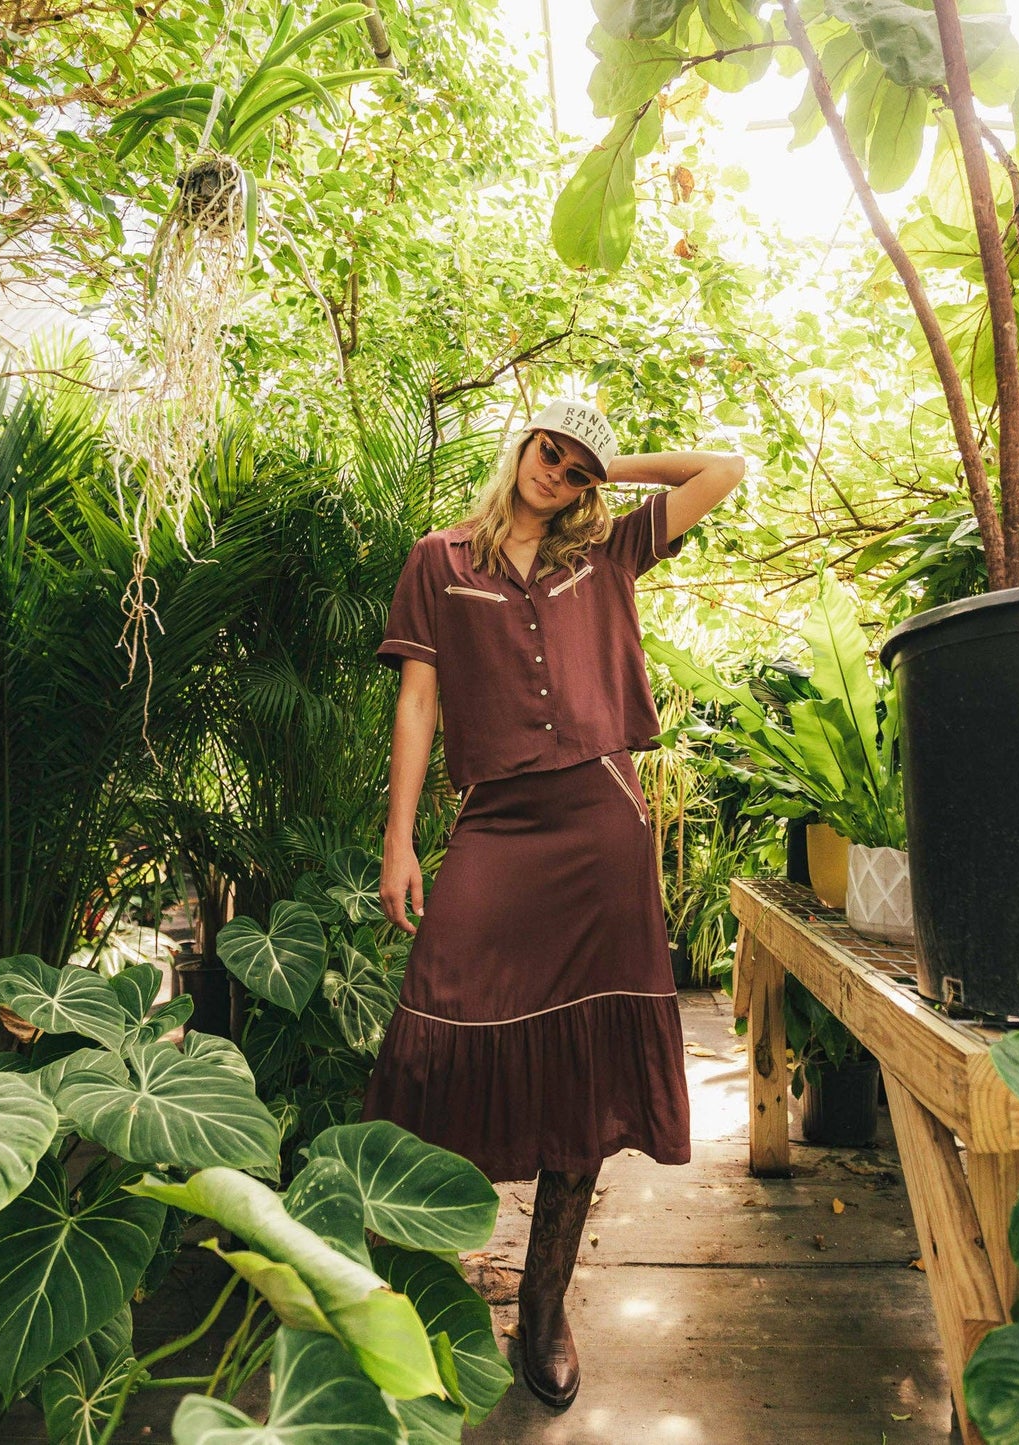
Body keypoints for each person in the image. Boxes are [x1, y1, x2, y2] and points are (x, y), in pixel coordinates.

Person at [363, 397, 744, 1409]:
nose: (559, 475)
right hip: (496, 819)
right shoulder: (437, 559)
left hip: (598, 820)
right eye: (550, 452)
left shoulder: (606, 553)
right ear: (519, 443)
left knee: (587, 1056)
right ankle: (409, 1277)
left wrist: (613, 464)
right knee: (436, 1024)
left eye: (578, 469)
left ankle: (543, 1302)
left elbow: (722, 467)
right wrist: (400, 838)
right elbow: (417, 700)